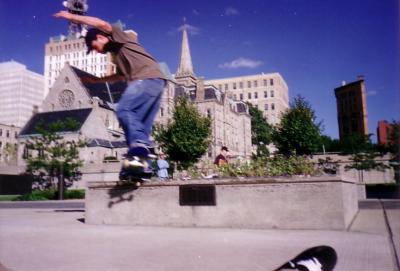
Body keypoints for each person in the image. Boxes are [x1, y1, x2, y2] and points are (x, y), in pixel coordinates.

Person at [54, 11, 166, 172]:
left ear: (101, 37)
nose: (98, 51)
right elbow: (119, 75)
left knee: (123, 109)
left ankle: (139, 153)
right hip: (157, 84)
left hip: (146, 78)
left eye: (95, 47)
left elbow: (99, 23)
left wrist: (71, 17)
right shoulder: (118, 54)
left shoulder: (118, 36)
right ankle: (140, 168)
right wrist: (96, 81)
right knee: (138, 128)